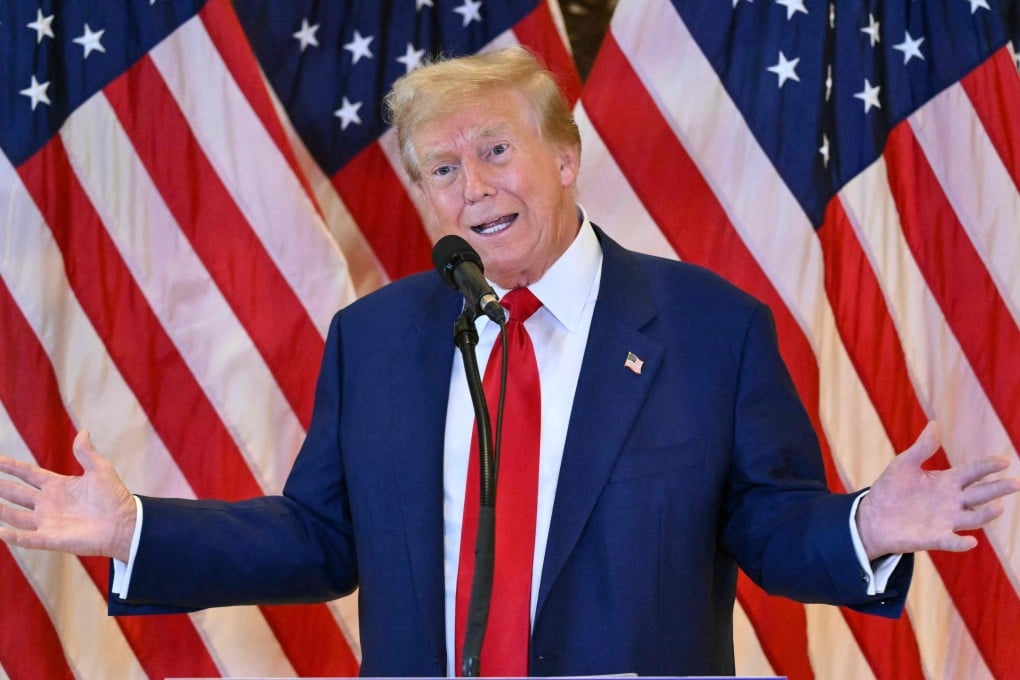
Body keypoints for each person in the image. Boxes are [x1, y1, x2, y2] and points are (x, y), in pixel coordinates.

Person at [0, 47, 1017, 677]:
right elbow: (319, 538)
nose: (470, 187)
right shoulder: (378, 340)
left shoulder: (711, 328)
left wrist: (863, 523)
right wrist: (136, 528)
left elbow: (766, 520)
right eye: (440, 169)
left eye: (494, 151)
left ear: (563, 158)